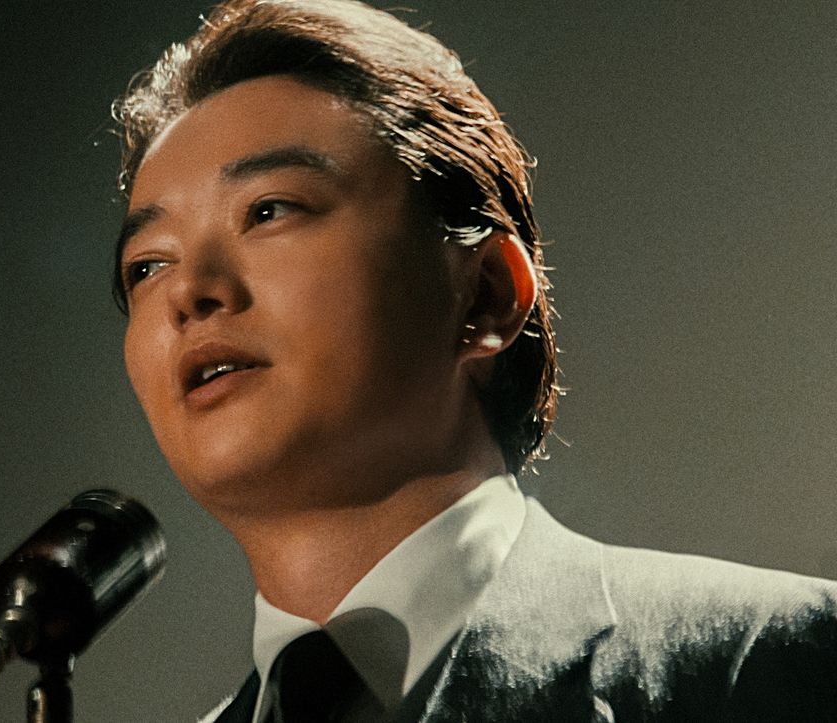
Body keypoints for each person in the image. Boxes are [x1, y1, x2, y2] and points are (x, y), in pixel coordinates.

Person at [109, 1, 837, 720]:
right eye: (147, 265)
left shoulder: (777, 661)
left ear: (486, 295)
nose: (189, 291)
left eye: (269, 210)